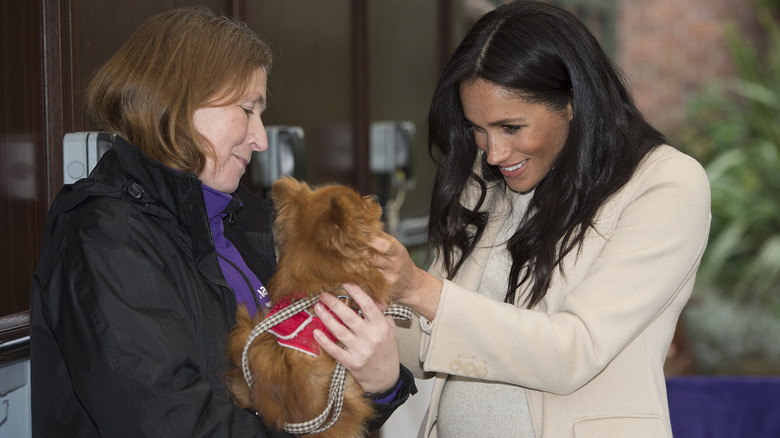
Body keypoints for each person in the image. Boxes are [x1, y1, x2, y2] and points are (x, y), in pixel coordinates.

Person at [29, 7, 414, 437]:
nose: (261, 138)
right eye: (248, 109)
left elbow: (308, 397)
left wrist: (382, 385)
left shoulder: (246, 222)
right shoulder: (103, 236)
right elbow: (170, 421)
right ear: (179, 100)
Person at [370, 1, 711, 437]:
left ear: (571, 102)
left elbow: (574, 351)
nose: (493, 153)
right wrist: (371, 304)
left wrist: (420, 289)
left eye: (511, 127)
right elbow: (425, 348)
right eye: (478, 128)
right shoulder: (488, 173)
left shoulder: (666, 184)